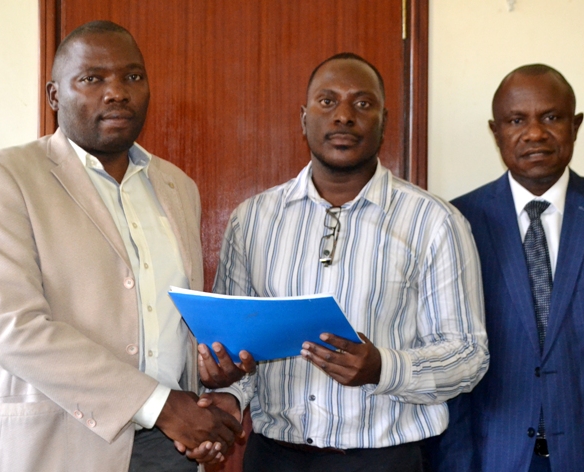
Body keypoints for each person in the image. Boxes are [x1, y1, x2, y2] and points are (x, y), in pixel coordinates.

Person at [0, 20, 244, 472]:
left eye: (132, 77)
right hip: (59, 445)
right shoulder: (5, 177)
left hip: (170, 449)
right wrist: (163, 406)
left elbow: (166, 323)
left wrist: (212, 388)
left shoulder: (177, 187)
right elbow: (15, 330)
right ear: (55, 96)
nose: (117, 92)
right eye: (93, 78)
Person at [190, 52, 489, 472]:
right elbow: (237, 347)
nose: (344, 116)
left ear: (384, 119)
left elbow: (469, 356)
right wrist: (227, 388)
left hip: (384, 459)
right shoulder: (252, 219)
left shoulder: (434, 222)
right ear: (303, 117)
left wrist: (383, 367)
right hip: (274, 458)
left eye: (362, 104)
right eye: (327, 102)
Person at [425, 64, 584, 472]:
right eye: (517, 120)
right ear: (495, 130)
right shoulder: (457, 220)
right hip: (491, 456)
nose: (535, 133)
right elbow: (449, 357)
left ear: (576, 125)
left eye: (551, 117)